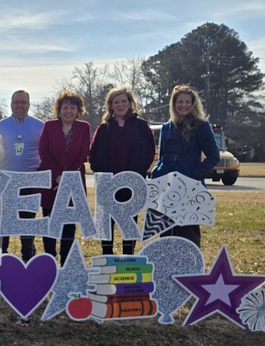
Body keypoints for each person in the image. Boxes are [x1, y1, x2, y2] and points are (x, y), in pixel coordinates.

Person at [150, 84, 220, 248]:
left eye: (187, 102)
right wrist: (157, 175)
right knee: (166, 232)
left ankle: (190, 270)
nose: (184, 105)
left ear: (193, 103)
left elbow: (213, 156)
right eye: (180, 102)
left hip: (190, 186)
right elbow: (162, 157)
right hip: (166, 187)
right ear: (174, 104)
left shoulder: (202, 126)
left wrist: (196, 175)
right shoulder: (167, 127)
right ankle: (165, 268)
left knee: (188, 234)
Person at [89, 86, 157, 255]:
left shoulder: (141, 126)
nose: (120, 105)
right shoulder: (104, 129)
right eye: (115, 102)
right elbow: (93, 154)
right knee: (106, 223)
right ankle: (107, 256)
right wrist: (100, 173)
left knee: (129, 223)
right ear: (110, 106)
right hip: (108, 183)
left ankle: (128, 257)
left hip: (132, 182)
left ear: (130, 103)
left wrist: (138, 172)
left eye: (123, 101)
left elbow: (149, 151)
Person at [38, 91, 91, 265]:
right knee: (50, 221)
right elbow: (44, 152)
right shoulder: (49, 126)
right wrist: (57, 176)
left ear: (78, 110)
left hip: (74, 181)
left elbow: (84, 153)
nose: (68, 111)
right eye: (65, 107)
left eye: (72, 107)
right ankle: (49, 260)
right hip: (51, 181)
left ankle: (66, 262)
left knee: (69, 224)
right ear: (58, 110)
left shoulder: (84, 127)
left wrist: (67, 178)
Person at [0, 89, 43, 260]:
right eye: (16, 102)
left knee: (27, 223)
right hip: (5, 182)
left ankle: (28, 257)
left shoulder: (40, 126)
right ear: (11, 104)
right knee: (4, 223)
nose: (20, 105)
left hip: (30, 182)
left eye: (23, 102)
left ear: (29, 104)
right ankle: (2, 257)